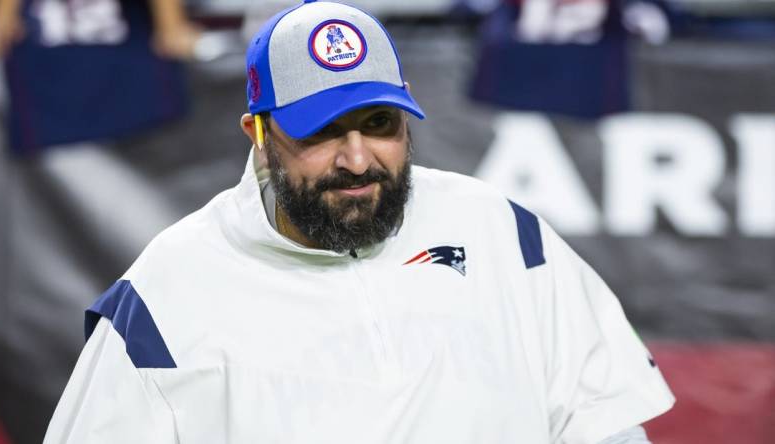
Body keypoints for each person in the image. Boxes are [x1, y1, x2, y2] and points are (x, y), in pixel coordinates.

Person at [44, 1, 674, 442]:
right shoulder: (166, 292)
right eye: (320, 131)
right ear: (258, 135)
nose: (356, 159)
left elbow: (602, 426)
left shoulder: (502, 232)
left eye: (379, 125)